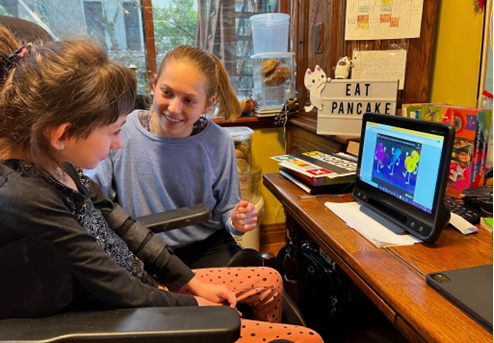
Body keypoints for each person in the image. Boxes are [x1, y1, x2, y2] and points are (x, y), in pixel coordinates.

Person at [0, 26, 323, 343]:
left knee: (269, 280)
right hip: (126, 316)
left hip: (144, 282)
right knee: (307, 338)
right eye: (113, 131)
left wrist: (189, 280)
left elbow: (117, 219)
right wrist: (195, 306)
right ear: (62, 135)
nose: (117, 143)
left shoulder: (57, 162)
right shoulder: (27, 198)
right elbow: (116, 286)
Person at [85, 45, 258, 269]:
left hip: (207, 246)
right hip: (142, 250)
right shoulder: (121, 131)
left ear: (207, 104)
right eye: (167, 93)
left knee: (254, 287)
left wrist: (237, 221)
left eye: (189, 100)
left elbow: (227, 211)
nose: (174, 108)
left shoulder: (219, 142)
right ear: (154, 85)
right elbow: (97, 201)